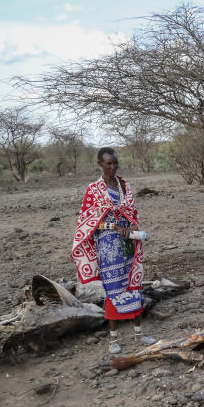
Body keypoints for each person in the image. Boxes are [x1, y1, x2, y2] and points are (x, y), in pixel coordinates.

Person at [71, 147, 156, 354]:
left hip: (129, 243)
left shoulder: (124, 185)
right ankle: (113, 339)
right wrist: (114, 227)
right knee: (113, 288)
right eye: (108, 163)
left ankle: (138, 333)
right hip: (109, 247)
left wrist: (133, 227)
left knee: (134, 285)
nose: (112, 167)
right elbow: (88, 223)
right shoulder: (93, 190)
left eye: (115, 163)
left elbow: (132, 212)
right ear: (100, 164)